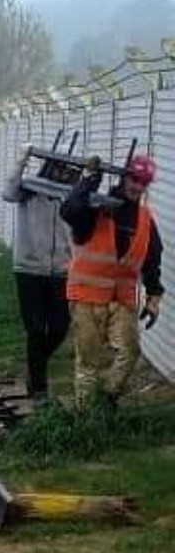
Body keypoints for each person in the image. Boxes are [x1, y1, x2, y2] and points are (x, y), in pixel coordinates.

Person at [60, 154, 164, 405]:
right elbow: (69, 210)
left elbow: (152, 259)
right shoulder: (95, 208)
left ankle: (106, 403)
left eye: (144, 182)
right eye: (134, 178)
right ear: (123, 176)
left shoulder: (144, 218)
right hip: (86, 296)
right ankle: (85, 418)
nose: (137, 186)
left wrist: (153, 297)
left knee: (129, 353)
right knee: (88, 361)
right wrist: (87, 181)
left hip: (122, 300)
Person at [2, 146, 74, 400]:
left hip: (61, 272)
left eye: (69, 169)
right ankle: (39, 387)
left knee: (60, 327)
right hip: (29, 269)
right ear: (51, 165)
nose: (64, 173)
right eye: (60, 166)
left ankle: (35, 366)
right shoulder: (30, 189)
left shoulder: (71, 196)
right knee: (35, 329)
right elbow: (8, 193)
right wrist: (23, 159)